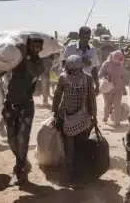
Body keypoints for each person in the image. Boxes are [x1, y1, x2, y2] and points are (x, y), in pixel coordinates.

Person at [0, 35, 45, 185]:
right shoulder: (17, 59)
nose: (37, 49)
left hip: (26, 105)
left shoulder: (38, 63)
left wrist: (24, 56)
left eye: (39, 46)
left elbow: (34, 72)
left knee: (23, 139)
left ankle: (19, 169)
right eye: (34, 46)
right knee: (11, 139)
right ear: (28, 46)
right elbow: (1, 70)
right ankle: (23, 161)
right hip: (10, 104)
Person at [52, 55, 97, 185]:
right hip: (74, 117)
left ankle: (74, 174)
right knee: (74, 147)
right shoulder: (70, 78)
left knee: (74, 147)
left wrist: (94, 115)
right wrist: (55, 111)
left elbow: (91, 98)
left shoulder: (79, 78)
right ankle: (75, 175)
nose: (72, 71)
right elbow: (58, 95)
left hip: (75, 117)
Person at [63, 26, 100, 95]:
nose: (86, 40)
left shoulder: (92, 49)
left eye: (88, 38)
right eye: (84, 38)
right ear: (79, 36)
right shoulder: (71, 47)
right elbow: (64, 64)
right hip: (71, 84)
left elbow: (94, 68)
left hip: (86, 85)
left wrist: (97, 85)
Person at [99, 51, 128, 126]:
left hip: (118, 89)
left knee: (117, 105)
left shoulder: (121, 64)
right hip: (108, 89)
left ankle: (117, 121)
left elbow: (122, 78)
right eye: (118, 59)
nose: (120, 61)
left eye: (121, 59)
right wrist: (105, 76)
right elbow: (100, 74)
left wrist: (124, 89)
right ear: (113, 58)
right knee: (107, 105)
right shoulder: (107, 64)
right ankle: (106, 117)